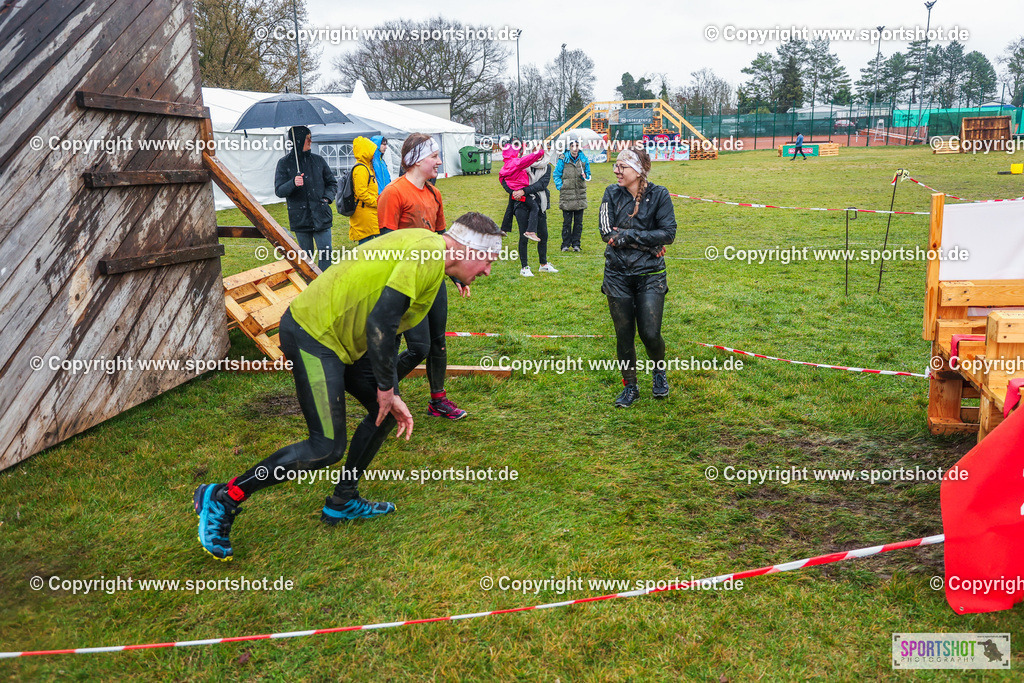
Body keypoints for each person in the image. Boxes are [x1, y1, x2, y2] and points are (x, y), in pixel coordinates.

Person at [193, 213, 503, 561]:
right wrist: (387, 386)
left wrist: (388, 391)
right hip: (314, 334)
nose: (489, 271)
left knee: (385, 414)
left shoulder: (433, 252)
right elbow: (382, 322)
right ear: (466, 249)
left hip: (347, 341)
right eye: (488, 260)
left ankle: (343, 500)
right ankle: (223, 496)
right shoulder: (428, 254)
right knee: (325, 447)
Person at [378, 133, 467, 420]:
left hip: (433, 280)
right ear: (415, 160)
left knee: (438, 341)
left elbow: (440, 238)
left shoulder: (434, 194)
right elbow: (387, 244)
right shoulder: (393, 193)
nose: (439, 162)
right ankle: (384, 390)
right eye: (434, 157)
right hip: (405, 284)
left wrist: (454, 273)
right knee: (418, 348)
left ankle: (437, 400)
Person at [599, 146, 676, 407]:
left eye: (622, 166)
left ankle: (659, 372)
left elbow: (668, 234)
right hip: (617, 275)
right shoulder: (611, 193)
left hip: (650, 275)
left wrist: (630, 235)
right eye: (616, 166)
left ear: (638, 170)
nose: (616, 170)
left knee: (650, 333)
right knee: (624, 335)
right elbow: (606, 233)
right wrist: (648, 242)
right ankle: (630, 387)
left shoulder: (659, 195)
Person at [274, 125, 338, 272]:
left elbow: (332, 183)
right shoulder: (284, 163)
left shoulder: (318, 160)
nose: (310, 141)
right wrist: (293, 183)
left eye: (310, 138)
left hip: (321, 215)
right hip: (300, 218)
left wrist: (326, 199)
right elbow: (279, 190)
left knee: (326, 252)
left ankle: (324, 284)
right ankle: (309, 286)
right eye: (307, 138)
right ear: (298, 140)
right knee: (306, 258)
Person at [517, 147, 558, 277]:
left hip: (540, 204)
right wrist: (521, 192)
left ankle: (543, 264)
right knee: (524, 236)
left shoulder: (547, 166)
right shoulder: (522, 165)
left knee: (543, 235)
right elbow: (517, 183)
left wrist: (524, 190)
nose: (538, 154)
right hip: (523, 205)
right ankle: (524, 267)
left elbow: (542, 184)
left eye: (540, 151)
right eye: (535, 151)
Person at [499, 140, 546, 241]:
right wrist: (540, 152)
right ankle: (531, 231)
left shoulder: (505, 165)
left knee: (510, 208)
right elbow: (528, 159)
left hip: (514, 191)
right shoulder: (516, 162)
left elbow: (501, 178)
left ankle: (504, 228)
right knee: (535, 207)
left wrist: (512, 191)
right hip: (521, 191)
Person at [554, 138, 591, 252]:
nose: (575, 149)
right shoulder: (562, 160)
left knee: (578, 222)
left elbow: (589, 175)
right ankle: (565, 244)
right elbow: (556, 174)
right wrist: (561, 186)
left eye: (577, 146)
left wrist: (585, 176)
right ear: (569, 147)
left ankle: (576, 244)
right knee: (567, 222)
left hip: (580, 195)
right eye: (572, 146)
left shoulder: (583, 160)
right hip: (567, 195)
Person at [348, 136, 379, 245]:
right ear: (366, 151)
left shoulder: (366, 166)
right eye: (372, 150)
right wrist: (376, 203)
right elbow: (361, 193)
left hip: (368, 212)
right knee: (366, 244)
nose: (374, 153)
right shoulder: (361, 169)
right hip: (364, 212)